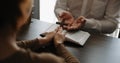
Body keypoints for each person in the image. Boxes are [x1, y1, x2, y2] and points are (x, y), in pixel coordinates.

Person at [0, 0, 80, 63]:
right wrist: (59, 44)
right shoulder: (48, 61)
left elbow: (15, 45)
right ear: (22, 13)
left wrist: (41, 40)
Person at [54, 0, 120, 34]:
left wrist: (86, 23)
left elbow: (112, 24)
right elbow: (59, 8)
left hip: (94, 40)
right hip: (64, 33)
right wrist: (62, 14)